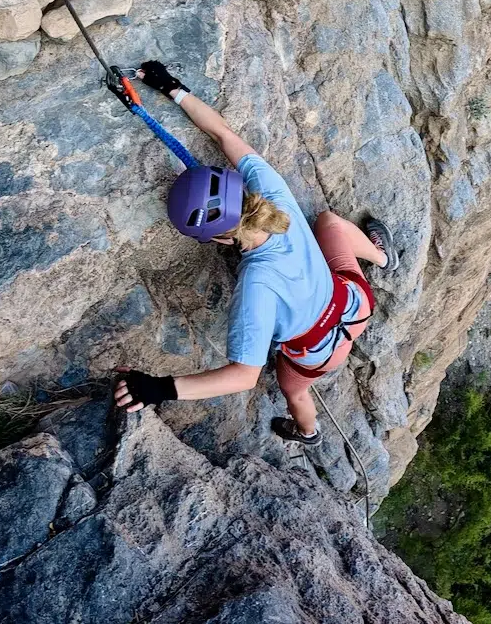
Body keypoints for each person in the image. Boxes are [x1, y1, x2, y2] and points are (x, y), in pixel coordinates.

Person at [113, 61, 398, 444]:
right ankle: (382, 259)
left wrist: (158, 389)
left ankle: (308, 432)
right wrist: (173, 88)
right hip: (354, 303)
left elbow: (245, 376)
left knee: (296, 393)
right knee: (329, 224)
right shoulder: (271, 193)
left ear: (219, 240)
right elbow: (222, 133)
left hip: (315, 353)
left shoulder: (257, 285)